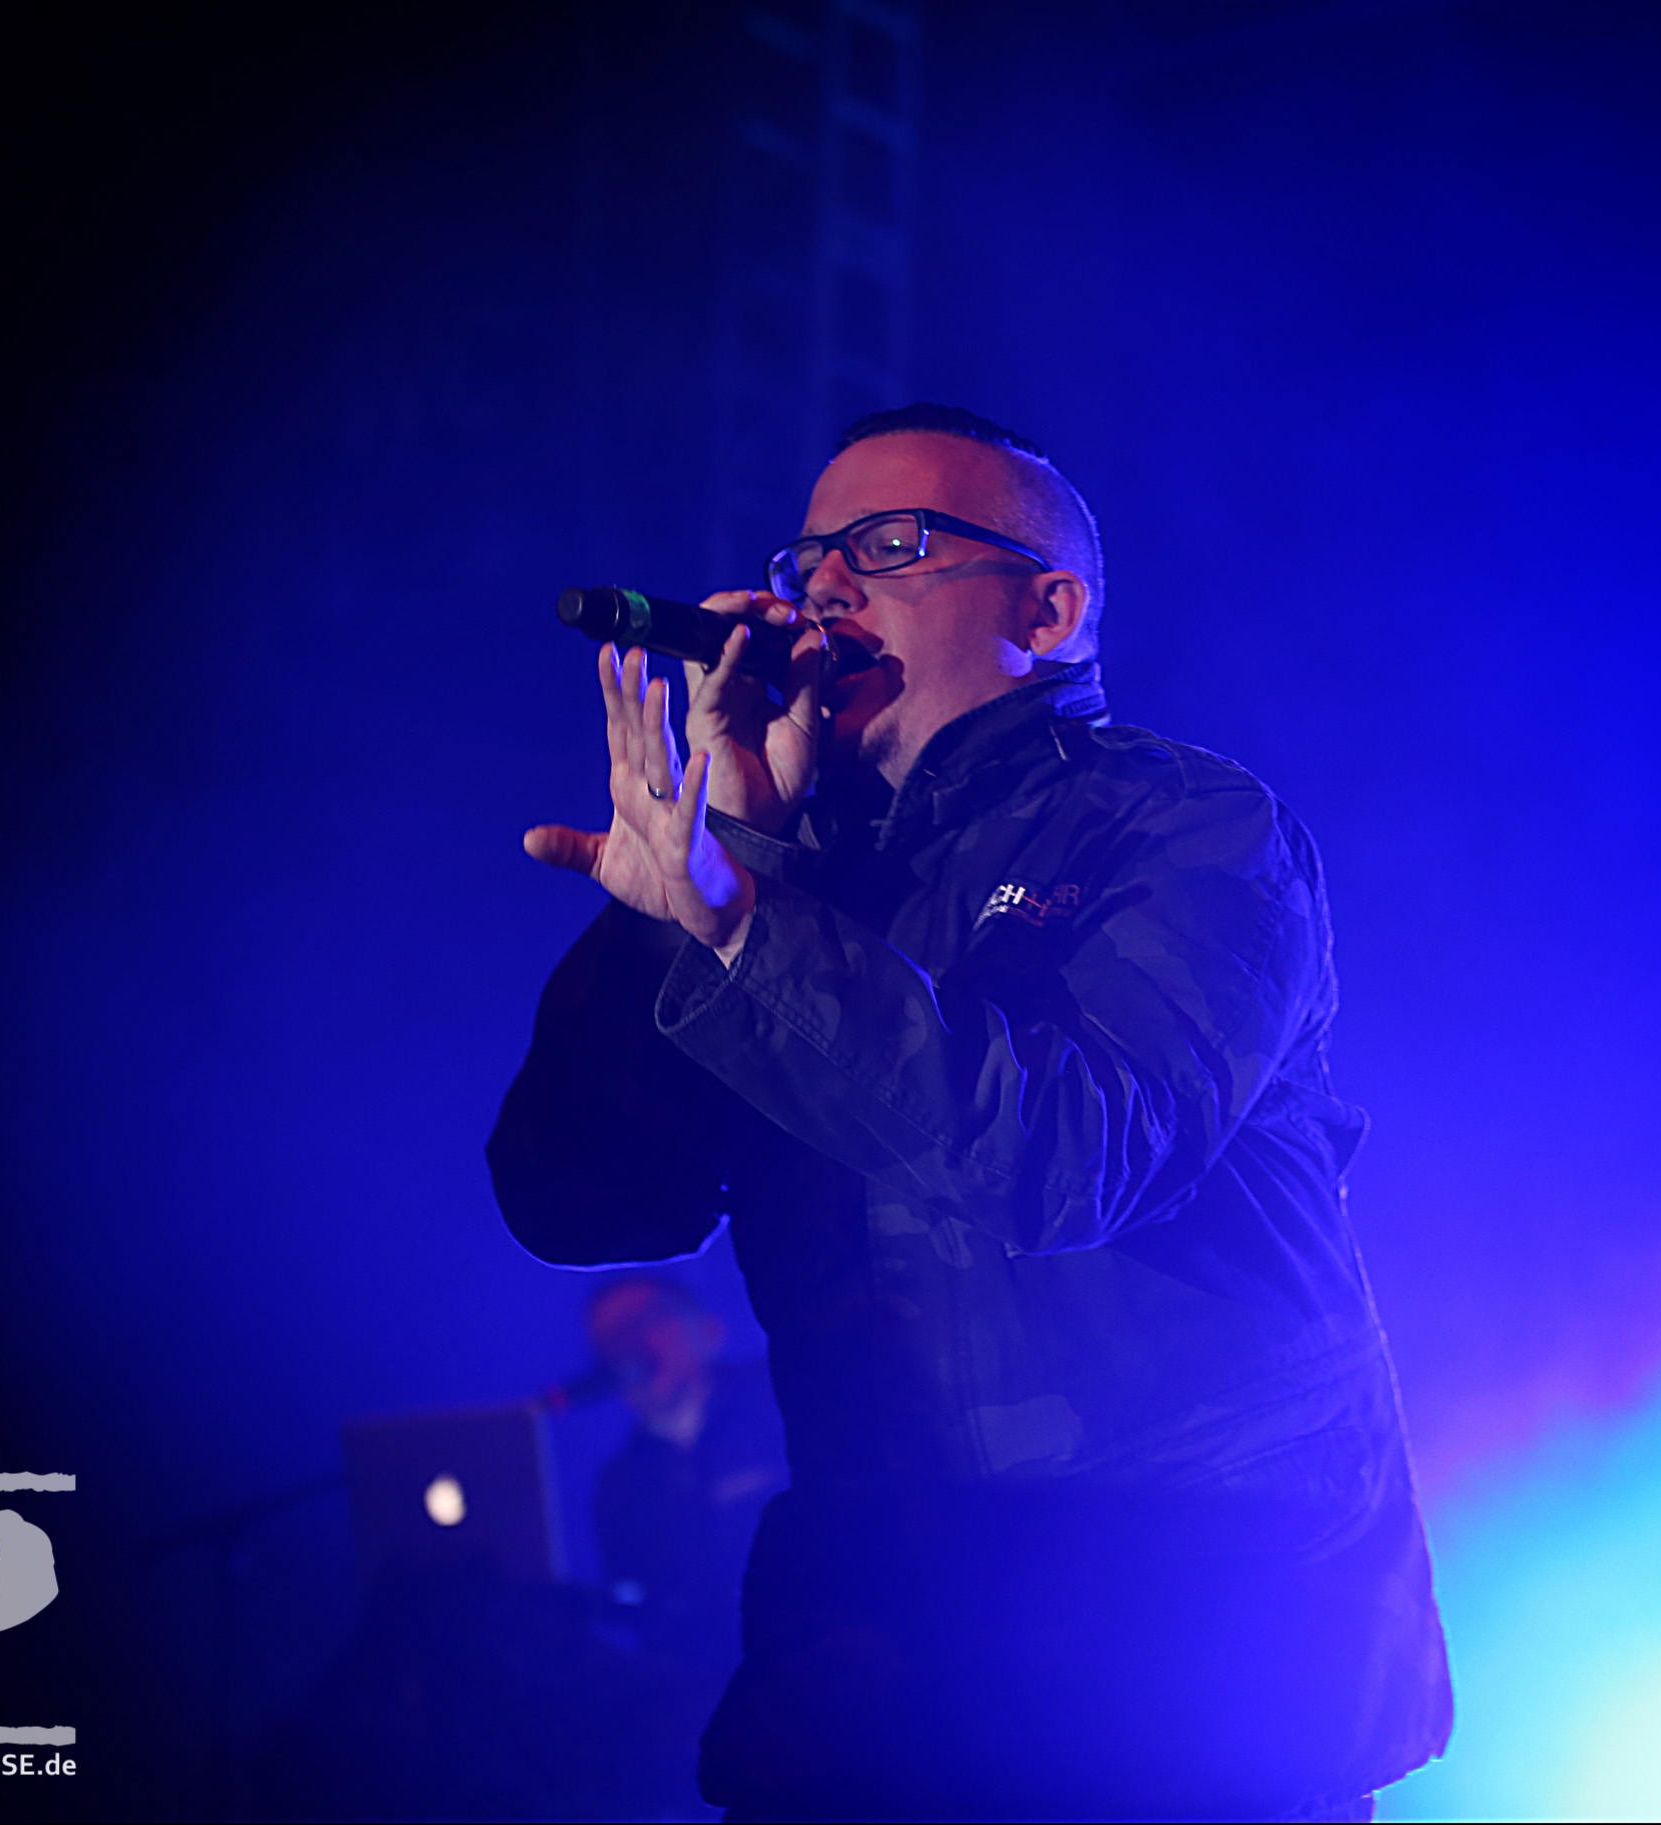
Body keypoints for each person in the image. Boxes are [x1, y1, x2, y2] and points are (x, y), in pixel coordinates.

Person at [488, 403, 1451, 1820]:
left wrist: (745, 926)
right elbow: (576, 1202)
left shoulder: (1186, 829)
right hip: (882, 1669)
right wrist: (709, 875)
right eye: (808, 555)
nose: (823, 588)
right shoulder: (780, 864)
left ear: (1045, 611)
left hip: (1188, 1662)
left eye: (888, 545)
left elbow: (1069, 1162)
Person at [582, 1275, 786, 1675]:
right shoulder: (622, 1484)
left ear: (709, 1331)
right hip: (711, 1683)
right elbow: (639, 1607)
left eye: (643, 1323)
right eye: (608, 1339)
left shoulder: (782, 1403)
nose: (627, 1346)